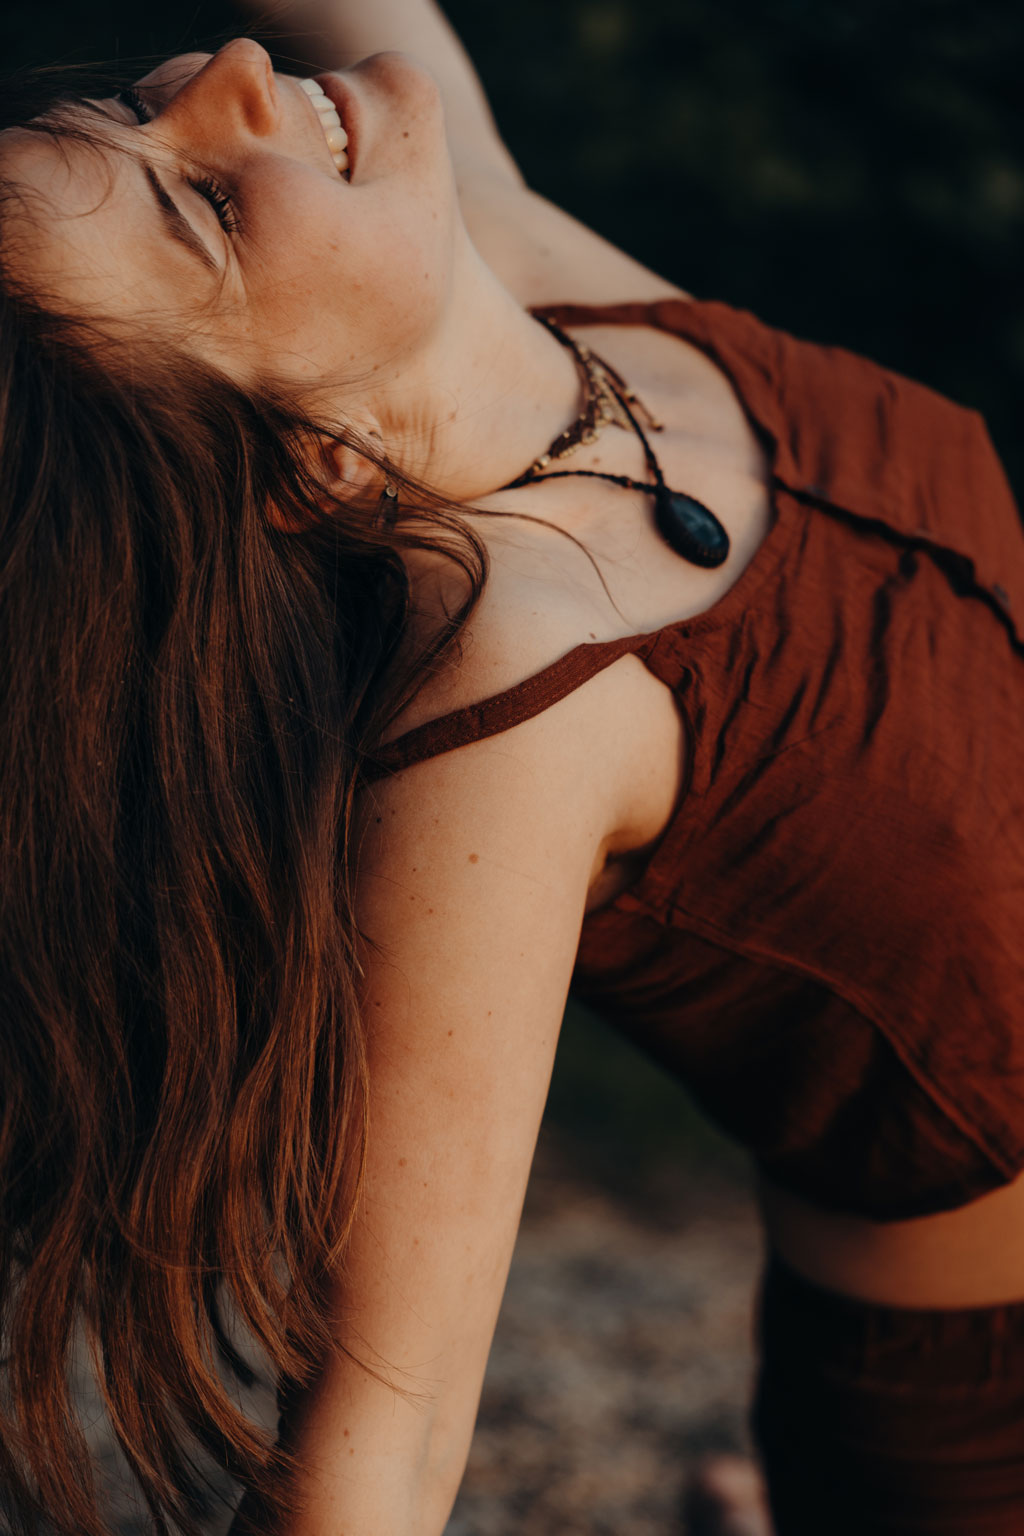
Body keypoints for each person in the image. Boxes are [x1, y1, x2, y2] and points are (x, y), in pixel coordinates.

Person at [0, 2, 1022, 1534]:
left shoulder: (499, 267)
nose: (215, 82)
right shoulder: (512, 709)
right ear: (312, 463)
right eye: (203, 203)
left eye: (126, 113)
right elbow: (375, 1469)